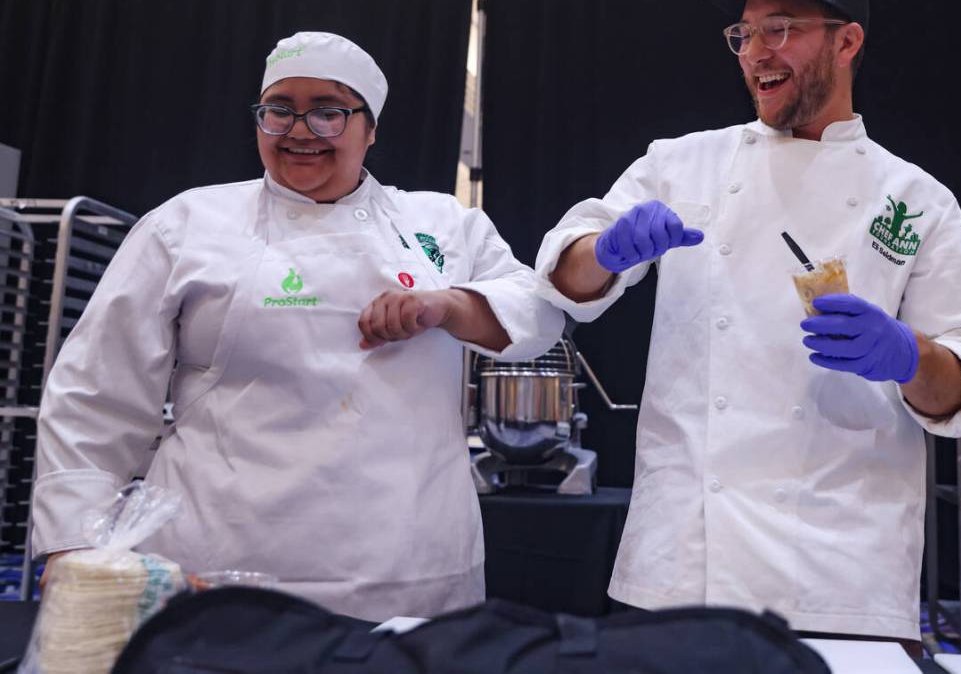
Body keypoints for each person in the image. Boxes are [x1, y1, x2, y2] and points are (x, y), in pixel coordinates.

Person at [536, 0, 961, 653]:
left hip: (840, 569)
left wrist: (908, 355)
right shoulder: (680, 162)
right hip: (681, 561)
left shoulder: (913, 199)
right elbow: (566, 276)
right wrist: (603, 252)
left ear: (846, 42)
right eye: (743, 34)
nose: (755, 51)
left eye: (779, 28)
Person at [32, 30, 565, 621]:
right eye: (279, 110)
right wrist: (75, 541)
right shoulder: (186, 223)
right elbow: (97, 390)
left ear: (371, 128)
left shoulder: (443, 225)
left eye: (328, 112)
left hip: (405, 565)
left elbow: (540, 315)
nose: (300, 131)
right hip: (215, 559)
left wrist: (446, 306)